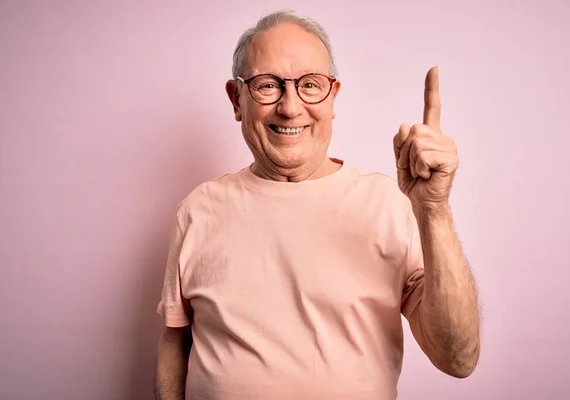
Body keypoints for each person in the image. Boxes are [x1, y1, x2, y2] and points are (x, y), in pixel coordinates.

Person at [154, 9, 480, 400]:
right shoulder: (197, 210)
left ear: (333, 96)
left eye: (310, 85)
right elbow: (175, 342)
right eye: (267, 85)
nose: (291, 107)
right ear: (236, 98)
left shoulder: (389, 205)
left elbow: (458, 359)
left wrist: (435, 211)